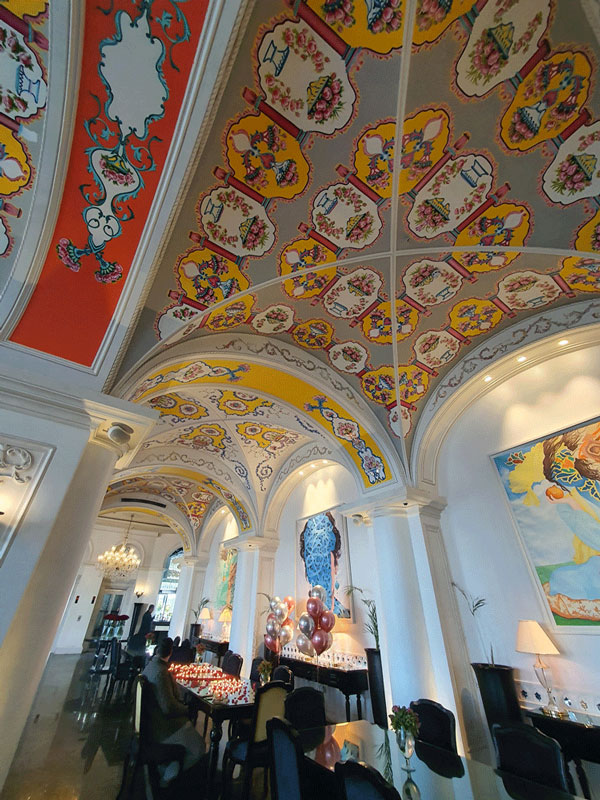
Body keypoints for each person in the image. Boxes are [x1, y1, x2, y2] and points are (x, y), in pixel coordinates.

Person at [142, 637, 205, 783]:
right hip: (163, 727)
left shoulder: (151, 666)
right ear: (171, 652)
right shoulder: (161, 673)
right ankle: (169, 776)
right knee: (199, 747)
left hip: (151, 721)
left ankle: (170, 766)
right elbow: (168, 708)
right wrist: (187, 709)